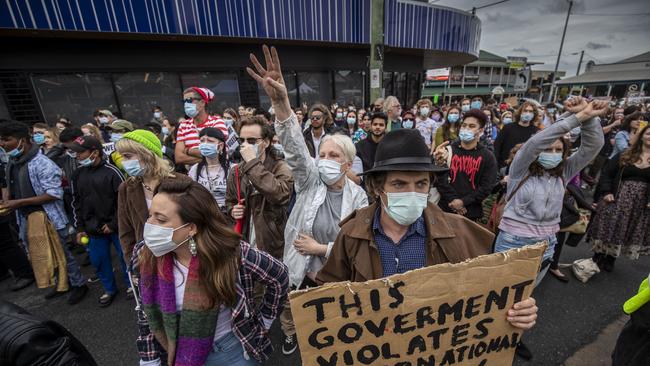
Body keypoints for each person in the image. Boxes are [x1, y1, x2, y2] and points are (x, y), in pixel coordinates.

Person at [313, 125, 539, 339]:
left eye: (421, 184)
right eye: (399, 184)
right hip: (375, 348)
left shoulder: (460, 232)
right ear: (377, 187)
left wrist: (518, 308)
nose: (412, 193)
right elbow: (329, 294)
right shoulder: (351, 234)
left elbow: (494, 292)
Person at [246, 45, 368, 355]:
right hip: (303, 276)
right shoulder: (311, 179)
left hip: (337, 281)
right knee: (302, 323)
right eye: (322, 154)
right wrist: (281, 103)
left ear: (347, 164)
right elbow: (296, 150)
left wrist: (320, 248)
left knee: (335, 333)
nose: (324, 159)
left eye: (333, 155)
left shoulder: (359, 196)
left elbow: (359, 246)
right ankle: (296, 338)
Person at [135, 178, 289, 366]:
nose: (149, 225)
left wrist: (264, 320)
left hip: (230, 353)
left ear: (191, 228)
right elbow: (146, 310)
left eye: (161, 219)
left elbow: (280, 277)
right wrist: (149, 359)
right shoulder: (145, 255)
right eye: (150, 215)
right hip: (174, 352)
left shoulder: (231, 254)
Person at [493, 97, 607, 284]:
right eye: (548, 149)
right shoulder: (520, 169)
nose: (552, 153)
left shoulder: (563, 173)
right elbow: (536, 141)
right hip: (514, 241)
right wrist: (578, 116)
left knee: (527, 294)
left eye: (557, 150)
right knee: (502, 293)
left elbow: (592, 146)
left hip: (546, 243)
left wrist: (590, 118)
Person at [116, 129, 188, 366]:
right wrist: (132, 267)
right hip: (147, 260)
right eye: (122, 157)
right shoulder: (127, 188)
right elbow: (126, 231)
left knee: (185, 309)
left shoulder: (180, 183)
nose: (125, 162)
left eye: (129, 156)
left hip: (181, 255)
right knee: (153, 314)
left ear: (147, 154)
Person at [0, 121, 88, 304]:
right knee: (43, 255)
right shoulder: (13, 163)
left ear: (21, 141)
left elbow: (54, 194)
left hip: (47, 218)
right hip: (26, 217)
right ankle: (62, 284)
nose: (2, 143)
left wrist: (18, 202)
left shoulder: (42, 163)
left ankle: (79, 284)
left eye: (6, 139)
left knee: (62, 253)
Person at [68, 135, 130, 307]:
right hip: (92, 229)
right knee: (99, 261)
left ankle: (131, 285)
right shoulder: (77, 175)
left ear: (94, 152)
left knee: (125, 257)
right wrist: (80, 227)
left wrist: (113, 224)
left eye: (81, 152)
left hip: (115, 227)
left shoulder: (112, 171)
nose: (77, 156)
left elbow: (124, 202)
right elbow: (75, 202)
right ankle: (109, 289)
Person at [226, 116, 294, 261]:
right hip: (245, 241)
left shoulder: (280, 167)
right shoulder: (236, 171)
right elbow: (229, 202)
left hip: (273, 244)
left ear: (266, 142)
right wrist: (233, 210)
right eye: (241, 140)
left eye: (251, 141)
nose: (245, 145)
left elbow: (280, 194)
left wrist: (252, 162)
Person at [588, 124, 650, 272]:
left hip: (640, 202)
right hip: (618, 197)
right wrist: (607, 191)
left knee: (625, 229)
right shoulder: (626, 153)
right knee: (608, 226)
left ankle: (611, 258)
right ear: (641, 136)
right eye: (648, 134)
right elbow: (607, 173)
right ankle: (598, 255)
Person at [435, 109, 497, 221]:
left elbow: (486, 186)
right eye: (464, 125)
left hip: (471, 213)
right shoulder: (447, 151)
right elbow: (440, 179)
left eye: (472, 126)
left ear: (480, 130)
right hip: (445, 210)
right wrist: (453, 200)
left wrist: (463, 202)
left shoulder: (488, 156)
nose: (466, 129)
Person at [175, 87, 228, 165]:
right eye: (184, 101)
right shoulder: (183, 126)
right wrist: (207, 157)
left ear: (202, 103)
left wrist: (187, 150)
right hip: (193, 175)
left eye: (189, 100)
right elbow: (178, 158)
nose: (186, 104)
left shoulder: (217, 122)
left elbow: (218, 153)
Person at [188, 128, 230, 212]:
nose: (205, 144)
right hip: (203, 216)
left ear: (220, 145)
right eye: (202, 141)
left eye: (210, 141)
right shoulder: (195, 169)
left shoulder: (232, 168)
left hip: (227, 216)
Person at [493, 101, 541, 168]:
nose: (528, 113)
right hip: (504, 166)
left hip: (524, 168)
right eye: (525, 111)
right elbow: (497, 146)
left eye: (531, 111)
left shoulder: (536, 131)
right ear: (520, 112)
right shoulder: (508, 127)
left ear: (534, 114)